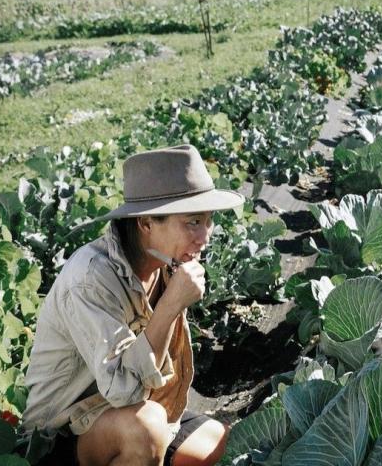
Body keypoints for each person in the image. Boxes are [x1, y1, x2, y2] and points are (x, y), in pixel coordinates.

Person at [23, 144, 244, 466]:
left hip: (124, 411)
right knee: (146, 427)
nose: (204, 237)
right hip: (61, 432)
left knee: (214, 440)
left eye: (208, 221)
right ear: (146, 224)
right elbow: (125, 392)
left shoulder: (165, 265)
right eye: (192, 222)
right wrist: (171, 305)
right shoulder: (90, 279)